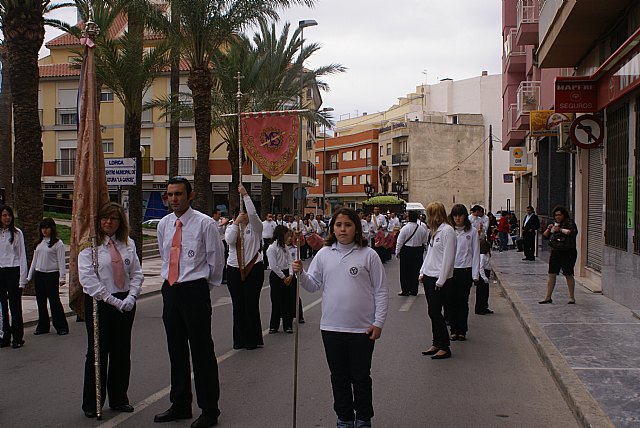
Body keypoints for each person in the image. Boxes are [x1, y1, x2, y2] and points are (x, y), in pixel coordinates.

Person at [292, 207, 388, 428]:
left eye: (347, 225)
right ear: (332, 228)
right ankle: (344, 418)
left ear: (356, 228)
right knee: (339, 378)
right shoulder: (324, 254)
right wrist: (301, 273)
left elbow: (381, 290)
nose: (343, 229)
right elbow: (313, 285)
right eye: (338, 225)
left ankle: (363, 418)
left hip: (362, 329)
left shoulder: (368, 254)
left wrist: (378, 323)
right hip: (332, 328)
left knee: (361, 378)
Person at [154, 177, 224, 428]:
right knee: (176, 350)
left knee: (202, 351)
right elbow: (165, 256)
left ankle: (209, 410)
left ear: (190, 195)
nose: (173, 199)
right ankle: (180, 403)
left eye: (178, 194)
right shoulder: (164, 224)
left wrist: (201, 287)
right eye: (170, 195)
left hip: (195, 290)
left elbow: (216, 261)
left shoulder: (205, 224)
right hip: (171, 290)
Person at [78, 202, 143, 418]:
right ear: (98, 221)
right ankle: (92, 402)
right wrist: (112, 301)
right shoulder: (90, 247)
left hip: (125, 302)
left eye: (113, 218)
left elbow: (137, 273)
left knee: (121, 352)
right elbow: (88, 280)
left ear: (119, 222)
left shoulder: (128, 244)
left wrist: (132, 296)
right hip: (100, 303)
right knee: (97, 353)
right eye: (105, 218)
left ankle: (119, 398)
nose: (108, 222)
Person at [225, 184, 264, 351]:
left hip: (253, 267)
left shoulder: (256, 228)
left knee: (251, 304)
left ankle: (252, 339)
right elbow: (230, 241)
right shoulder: (231, 228)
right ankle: (239, 339)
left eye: (245, 214)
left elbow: (254, 214)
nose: (245, 215)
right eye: (241, 214)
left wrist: (245, 195)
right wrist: (236, 223)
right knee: (238, 305)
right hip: (234, 268)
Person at [419, 202, 456, 360]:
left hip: (439, 279)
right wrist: (422, 271)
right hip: (429, 276)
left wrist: (441, 280)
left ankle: (444, 346)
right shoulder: (434, 232)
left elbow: (448, 257)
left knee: (435, 312)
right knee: (431, 312)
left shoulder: (448, 232)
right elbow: (430, 254)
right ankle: (436, 342)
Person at [28, 217, 69, 336]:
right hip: (39, 275)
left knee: (54, 301)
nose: (44, 231)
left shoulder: (58, 244)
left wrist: (62, 277)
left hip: (51, 274)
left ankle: (61, 326)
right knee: (41, 301)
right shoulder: (39, 244)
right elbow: (34, 261)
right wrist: (29, 276)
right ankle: (43, 326)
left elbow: (61, 261)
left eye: (47, 228)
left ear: (52, 229)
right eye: (42, 228)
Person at [447, 204, 480, 341]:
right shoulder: (449, 231)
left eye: (460, 215)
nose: (458, 218)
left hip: (465, 270)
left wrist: (475, 274)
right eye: (455, 215)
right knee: (451, 301)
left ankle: (462, 330)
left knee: (463, 301)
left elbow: (475, 253)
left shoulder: (472, 232)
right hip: (451, 271)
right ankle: (453, 329)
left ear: (465, 216)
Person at [0, 205, 27, 349]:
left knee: (15, 306)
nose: (7, 218)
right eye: (4, 215)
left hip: (13, 271)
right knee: (2, 307)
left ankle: (17, 337)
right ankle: (5, 336)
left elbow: (22, 256)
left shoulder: (17, 233)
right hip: (1, 271)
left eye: (9, 215)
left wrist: (22, 279)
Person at [539, 205, 578, 305]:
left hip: (568, 252)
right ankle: (548, 297)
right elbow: (545, 236)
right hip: (556, 252)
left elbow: (571, 232)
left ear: (564, 215)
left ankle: (571, 297)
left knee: (568, 274)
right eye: (556, 215)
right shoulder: (554, 224)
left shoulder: (569, 223)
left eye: (559, 215)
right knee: (551, 274)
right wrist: (549, 228)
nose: (557, 217)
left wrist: (560, 229)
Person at [267, 225, 296, 334]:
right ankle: (274, 325)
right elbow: (273, 266)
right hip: (277, 276)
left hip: (286, 274)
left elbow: (290, 261)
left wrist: (290, 274)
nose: (288, 237)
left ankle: (287, 325)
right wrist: (283, 277)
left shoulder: (285, 247)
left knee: (287, 301)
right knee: (276, 301)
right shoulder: (272, 248)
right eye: (286, 235)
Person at [395, 211, 428, 296]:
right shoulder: (421, 228)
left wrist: (397, 252)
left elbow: (400, 242)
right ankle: (414, 290)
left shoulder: (405, 228)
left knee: (405, 271)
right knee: (416, 270)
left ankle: (405, 290)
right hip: (418, 250)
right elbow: (425, 241)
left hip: (406, 250)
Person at [475, 239, 494, 315]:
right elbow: (481, 267)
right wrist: (484, 277)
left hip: (487, 273)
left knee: (485, 293)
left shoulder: (486, 255)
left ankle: (485, 307)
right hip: (483, 275)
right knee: (481, 293)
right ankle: (479, 308)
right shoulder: (482, 256)